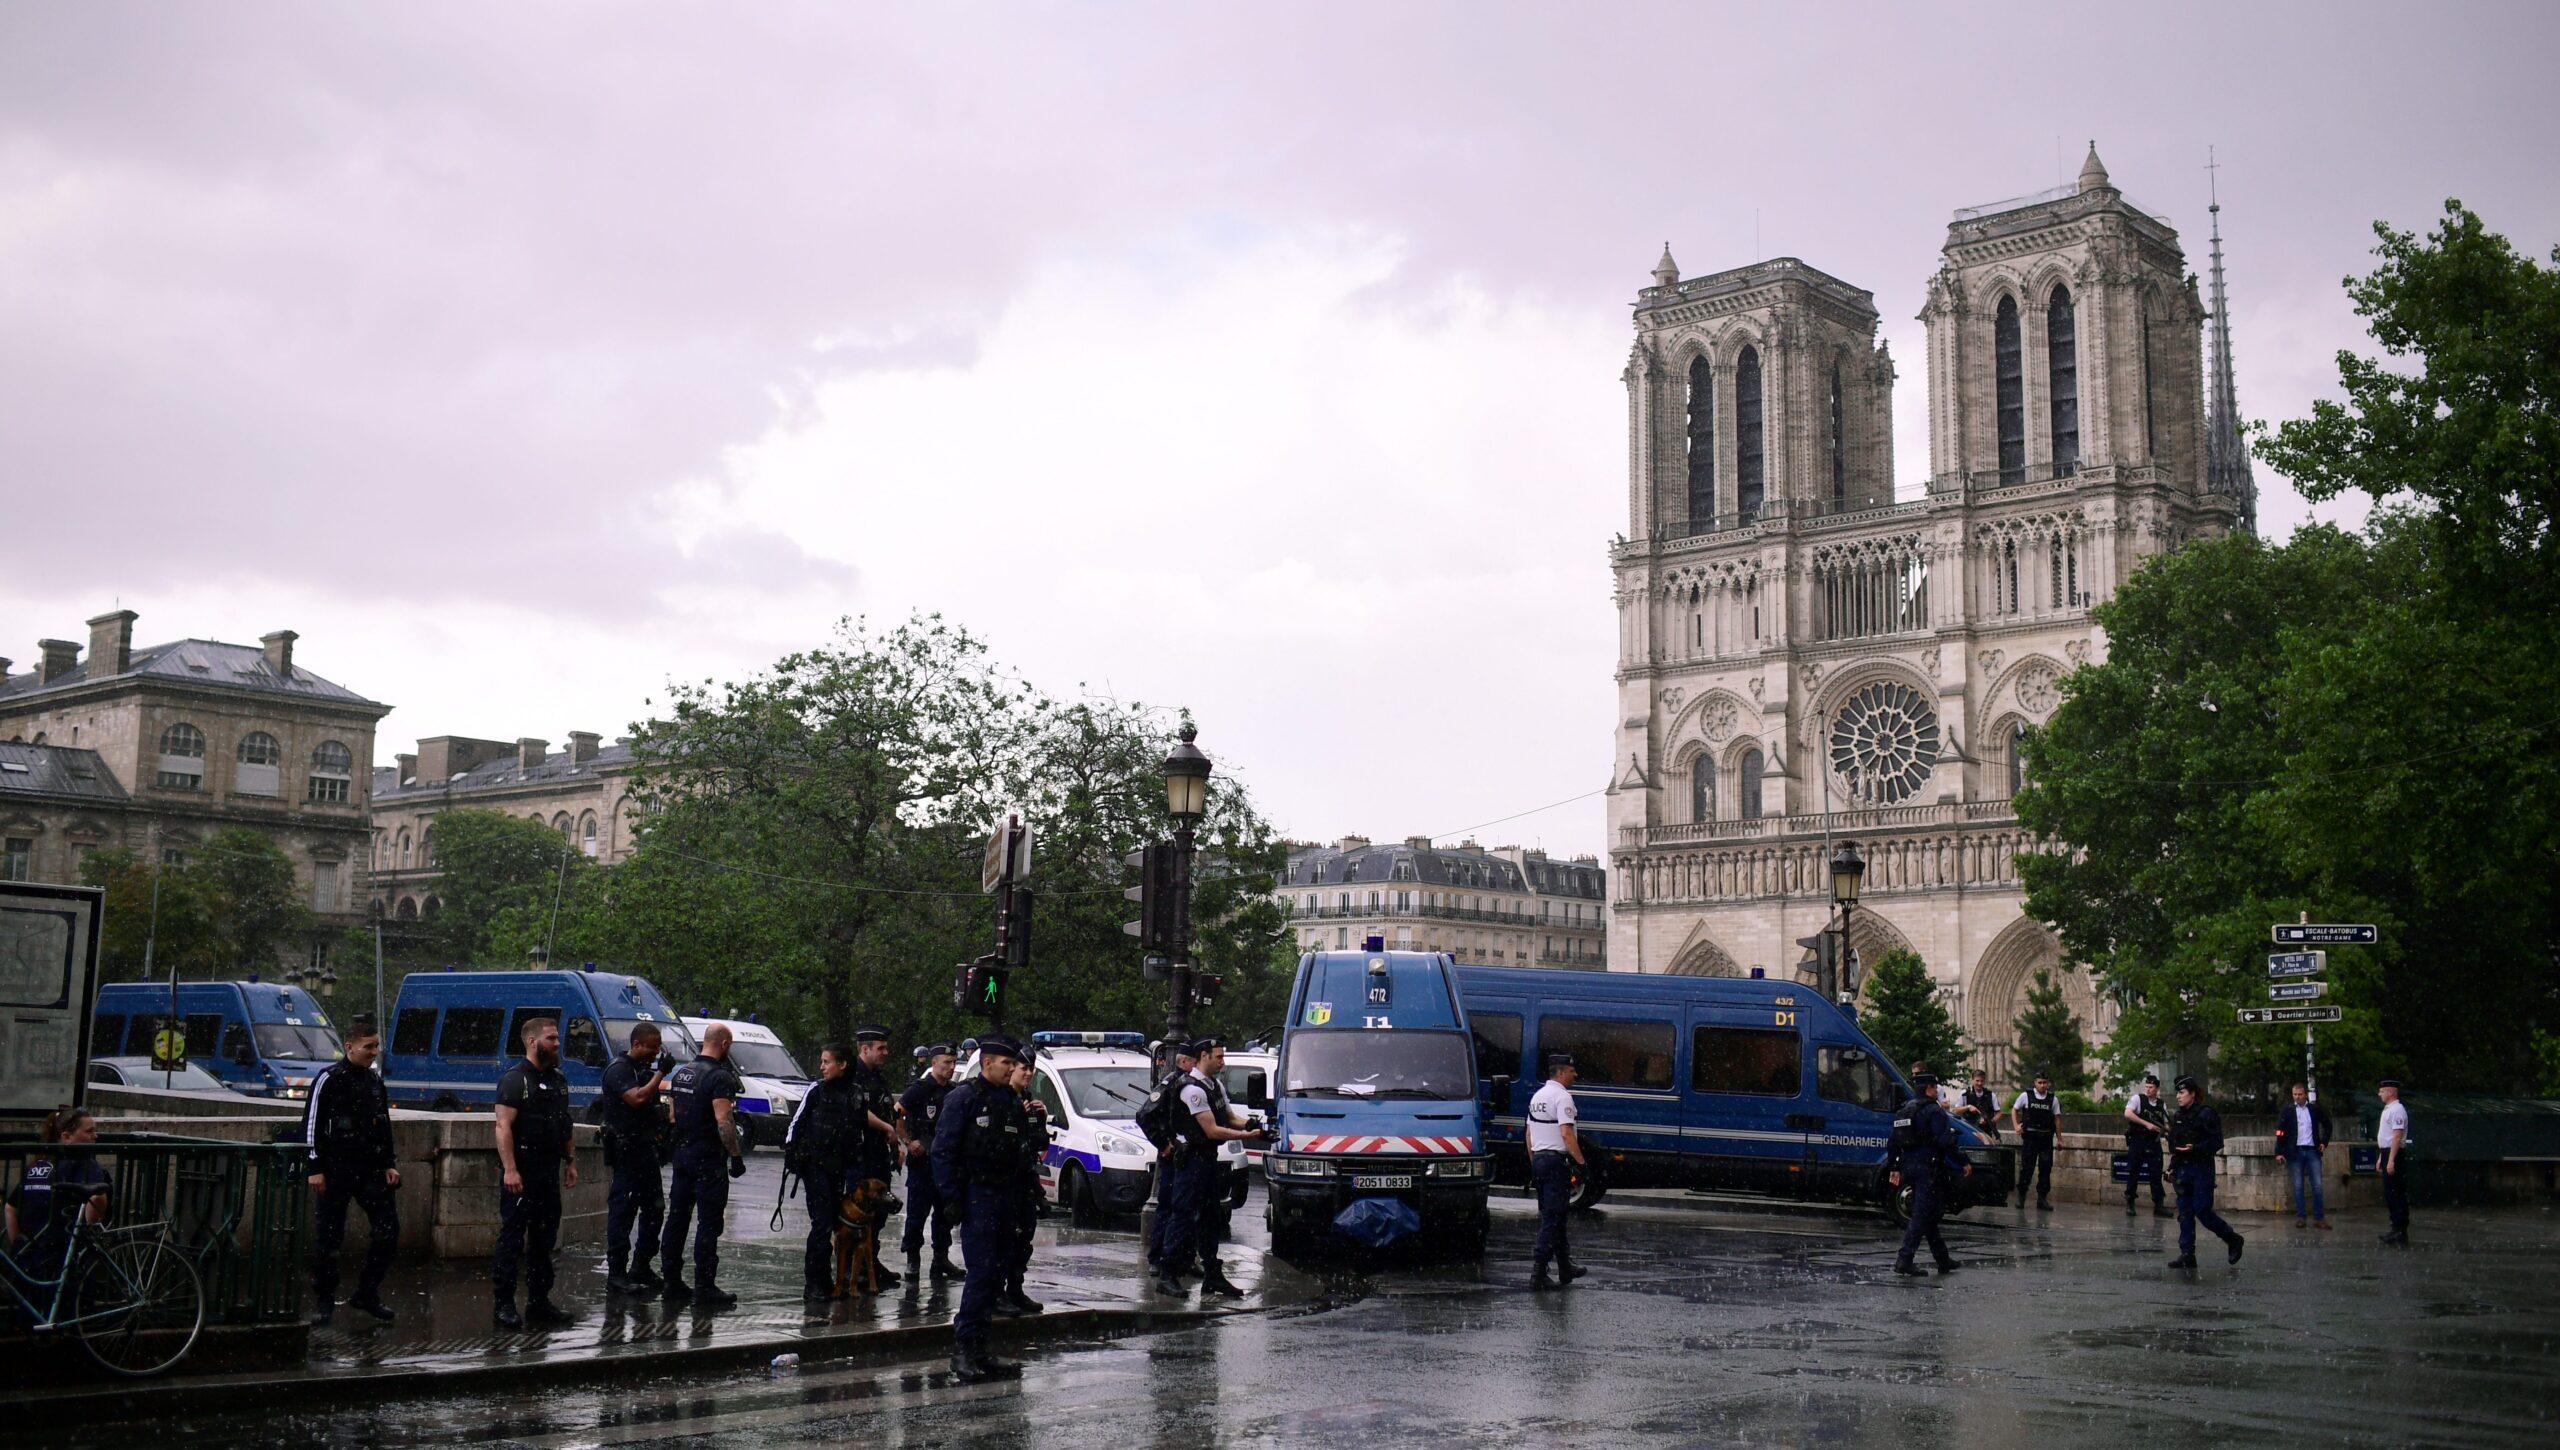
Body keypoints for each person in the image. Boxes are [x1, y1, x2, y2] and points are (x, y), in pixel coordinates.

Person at [934, 1034, 1030, 1384]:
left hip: (1005, 1196)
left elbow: (1020, 1150)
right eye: (1006, 1063)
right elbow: (943, 1151)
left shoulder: (1009, 1099)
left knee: (996, 1275)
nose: (1011, 1069)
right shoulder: (964, 1098)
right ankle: (963, 1349)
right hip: (977, 1196)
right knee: (981, 1273)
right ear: (987, 1063)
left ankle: (981, 1349)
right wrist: (951, 1199)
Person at [305, 1015, 400, 1325]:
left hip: (370, 1168)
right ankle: (324, 1301)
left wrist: (389, 1163)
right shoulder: (329, 1079)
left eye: (376, 1046)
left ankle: (366, 1293)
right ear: (349, 1047)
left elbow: (382, 1125)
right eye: (368, 1046)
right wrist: (315, 1166)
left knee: (387, 1231)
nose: (374, 1052)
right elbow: (312, 1125)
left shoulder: (374, 1082)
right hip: (335, 1169)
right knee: (329, 1239)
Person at [1154, 1037, 1264, 1299]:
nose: (1222, 1062)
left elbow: (1229, 1117)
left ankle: (1213, 1275)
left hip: (1207, 1161)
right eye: (1218, 1057)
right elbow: (1212, 1130)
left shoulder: (1213, 1085)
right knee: (1181, 1217)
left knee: (1210, 1217)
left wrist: (1250, 1125)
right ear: (1203, 1056)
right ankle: (1167, 1274)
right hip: (1191, 1161)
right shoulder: (1191, 1089)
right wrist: (1248, 1138)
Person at [491, 1017, 578, 1330]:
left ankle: (539, 1302)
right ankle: (503, 1304)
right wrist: (511, 1170)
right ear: (531, 1041)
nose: (557, 1044)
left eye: (557, 1038)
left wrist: (570, 1161)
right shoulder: (516, 1080)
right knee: (512, 1239)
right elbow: (503, 1127)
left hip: (547, 1172)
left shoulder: (558, 1079)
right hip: (522, 1173)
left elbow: (564, 1123)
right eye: (551, 1038)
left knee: (544, 1240)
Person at [660, 1022, 746, 1309]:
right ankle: (704, 1287)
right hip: (707, 1158)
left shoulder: (682, 1073)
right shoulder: (720, 1078)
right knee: (709, 1224)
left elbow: (673, 1114)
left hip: (682, 1153)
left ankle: (671, 1281)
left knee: (677, 1218)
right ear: (724, 1045)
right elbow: (724, 1120)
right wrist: (735, 1155)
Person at [785, 1043, 864, 1300]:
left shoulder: (855, 1094)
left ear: (842, 1065)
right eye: (822, 1061)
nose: (822, 1067)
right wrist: (793, 1156)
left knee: (832, 1223)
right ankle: (814, 1284)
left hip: (838, 1168)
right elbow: (796, 1124)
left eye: (827, 1062)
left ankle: (828, 1280)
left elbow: (858, 1129)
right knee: (821, 1225)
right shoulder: (816, 1090)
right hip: (815, 1166)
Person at [598, 1022, 672, 1293]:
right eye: (652, 1047)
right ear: (637, 1044)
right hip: (627, 1152)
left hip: (646, 1150)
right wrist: (661, 1073)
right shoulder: (619, 1070)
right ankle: (617, 1273)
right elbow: (637, 1099)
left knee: (654, 1210)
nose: (656, 1053)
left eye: (659, 1048)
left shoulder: (642, 1071)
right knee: (623, 1212)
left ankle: (641, 1265)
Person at [5, 1105, 110, 1281]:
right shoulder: (84, 1163)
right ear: (66, 1137)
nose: (95, 1136)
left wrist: (20, 1243)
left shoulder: (39, 1164)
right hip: (61, 1250)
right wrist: (88, 1229)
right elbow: (98, 1197)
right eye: (90, 1131)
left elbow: (10, 1207)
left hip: (34, 1251)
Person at [1889, 1068, 1970, 1276]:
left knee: (1929, 1214)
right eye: (1934, 1087)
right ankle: (1904, 1259)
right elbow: (1944, 1141)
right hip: (1928, 1167)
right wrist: (1963, 1161)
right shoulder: (1933, 1111)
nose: (1936, 1090)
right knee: (1920, 1215)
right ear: (1927, 1089)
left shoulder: (1905, 1109)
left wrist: (1895, 1166)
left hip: (1909, 1166)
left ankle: (1942, 1259)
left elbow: (1894, 1141)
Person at [2165, 1075, 2243, 1268]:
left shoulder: (2206, 1113)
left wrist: (2195, 1148)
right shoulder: (2178, 1116)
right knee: (2184, 1213)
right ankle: (2187, 1254)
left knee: (2202, 1210)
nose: (2178, 1096)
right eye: (2178, 1093)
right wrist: (2172, 1165)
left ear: (2192, 1094)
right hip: (2183, 1169)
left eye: (2182, 1092)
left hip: (2201, 1169)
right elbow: (2174, 1143)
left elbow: (2217, 1142)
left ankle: (2232, 1238)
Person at [899, 1043, 962, 1283]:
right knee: (917, 1215)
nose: (951, 1067)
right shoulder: (920, 1089)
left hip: (945, 1165)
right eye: (946, 1063)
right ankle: (913, 1259)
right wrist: (908, 1141)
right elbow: (898, 1113)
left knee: (945, 1215)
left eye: (954, 1063)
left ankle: (940, 1258)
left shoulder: (955, 1092)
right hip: (922, 1164)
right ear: (934, 1063)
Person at [847, 1026, 903, 1288]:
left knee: (878, 1214)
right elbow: (860, 1112)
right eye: (880, 1048)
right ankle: (852, 1268)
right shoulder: (854, 1075)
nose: (886, 1052)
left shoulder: (877, 1077)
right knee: (860, 1212)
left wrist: (896, 1145)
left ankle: (871, 1262)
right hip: (860, 1155)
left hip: (879, 1155)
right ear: (864, 1049)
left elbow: (887, 1109)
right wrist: (887, 1128)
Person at [1527, 1052, 1587, 1290]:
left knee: (1556, 1215)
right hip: (1555, 1162)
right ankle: (1538, 1273)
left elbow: (1529, 1135)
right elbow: (1566, 1134)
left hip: (1540, 1160)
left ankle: (1564, 1267)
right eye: (1572, 1071)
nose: (1575, 1075)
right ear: (1561, 1072)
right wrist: (1581, 1163)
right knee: (1552, 1219)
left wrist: (1534, 1162)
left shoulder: (1537, 1097)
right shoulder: (1562, 1097)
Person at [999, 1047, 1049, 1316]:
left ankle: (1015, 1289)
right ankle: (997, 1294)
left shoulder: (1028, 1100)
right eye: (1023, 1069)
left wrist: (1039, 1118)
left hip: (1026, 1179)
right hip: (1005, 1181)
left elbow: (1039, 1144)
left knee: (1024, 1239)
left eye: (1031, 1069)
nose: (1028, 1074)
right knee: (1004, 1240)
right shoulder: (1002, 1100)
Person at [1142, 1040, 1197, 1275]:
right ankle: (1157, 1257)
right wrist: (1163, 1144)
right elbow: (1145, 1115)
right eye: (1194, 1061)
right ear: (1184, 1062)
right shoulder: (1172, 1083)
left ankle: (1185, 1258)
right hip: (1174, 1156)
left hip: (1191, 1156)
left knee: (1188, 1209)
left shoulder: (1198, 1085)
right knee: (1167, 1207)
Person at [2270, 1081, 2333, 1230]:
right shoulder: (2288, 1110)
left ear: (2305, 1095)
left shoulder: (2314, 1109)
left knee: (2317, 1185)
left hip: (2312, 1150)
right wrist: (2278, 1152)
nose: (2297, 1097)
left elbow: (2327, 1124)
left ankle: (2319, 1218)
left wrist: (2324, 1142)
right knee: (2298, 1186)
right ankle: (2301, 1217)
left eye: (2300, 1094)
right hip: (2295, 1151)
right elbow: (2280, 1131)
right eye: (2295, 1095)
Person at [2121, 1072, 2173, 1218]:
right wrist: (2147, 1124)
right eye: (2147, 1086)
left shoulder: (2161, 1104)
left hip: (2153, 1142)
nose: (2148, 1089)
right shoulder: (2138, 1099)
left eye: (2151, 1087)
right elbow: (2128, 1113)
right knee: (2134, 1171)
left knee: (2156, 1173)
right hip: (2138, 1140)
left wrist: (2167, 1131)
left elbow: (2166, 1123)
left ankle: (2159, 1205)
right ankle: (2130, 1203)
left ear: (2157, 1089)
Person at [2007, 1070, 2060, 1211]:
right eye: (2039, 1082)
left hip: (2046, 1138)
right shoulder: (2026, 1096)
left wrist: (2060, 1139)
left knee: (2045, 1170)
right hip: (2030, 1138)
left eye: (2044, 1083)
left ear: (2048, 1084)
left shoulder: (2052, 1099)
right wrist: (2016, 1126)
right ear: (2035, 1083)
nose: (2042, 1085)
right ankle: (2021, 1197)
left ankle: (2042, 1199)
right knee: (2027, 1169)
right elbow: (2014, 1110)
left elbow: (2057, 1119)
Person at [2377, 1078, 2411, 1246]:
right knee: (2390, 1193)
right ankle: (2396, 1228)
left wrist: (2390, 1160)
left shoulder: (2397, 1110)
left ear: (2390, 1092)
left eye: (2382, 1091)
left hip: (2394, 1153)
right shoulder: (2389, 1109)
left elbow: (2397, 1136)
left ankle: (2399, 1229)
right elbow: (2387, 1135)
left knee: (2395, 1192)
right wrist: (2381, 1157)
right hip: (2387, 1152)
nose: (2379, 1094)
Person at [1957, 1070, 2000, 1141]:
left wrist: (1990, 1121)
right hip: (1968, 1131)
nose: (1979, 1083)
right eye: (1977, 1081)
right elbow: (1956, 1111)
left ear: (1984, 1081)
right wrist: (1968, 1107)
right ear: (1972, 1080)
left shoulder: (1991, 1095)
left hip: (1986, 1132)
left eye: (1982, 1081)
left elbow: (1999, 1113)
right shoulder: (1964, 1094)